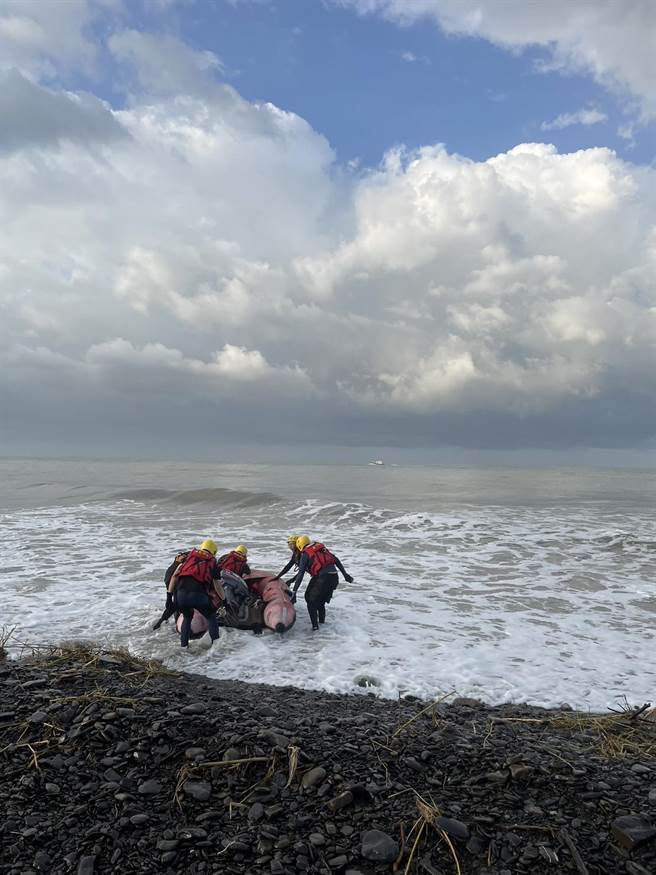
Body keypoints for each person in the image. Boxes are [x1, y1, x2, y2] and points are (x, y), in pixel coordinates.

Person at [168, 538, 223, 649]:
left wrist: (169, 596)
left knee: (187, 617)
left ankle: (184, 647)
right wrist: (224, 599)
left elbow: (174, 576)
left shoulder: (189, 557)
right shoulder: (212, 561)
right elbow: (217, 585)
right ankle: (216, 647)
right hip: (198, 596)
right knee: (211, 617)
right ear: (214, 552)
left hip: (180, 595)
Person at [290, 536, 353, 631]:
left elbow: (300, 575)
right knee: (320, 600)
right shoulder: (321, 549)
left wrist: (294, 592)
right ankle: (322, 623)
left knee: (309, 599)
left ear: (299, 545)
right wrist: (345, 575)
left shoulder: (305, 554)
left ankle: (315, 628)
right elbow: (336, 559)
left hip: (323, 578)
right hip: (334, 577)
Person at [153, 548, 189, 630]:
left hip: (170, 580)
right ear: (177, 557)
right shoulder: (179, 565)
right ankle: (162, 623)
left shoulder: (172, 567)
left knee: (174, 604)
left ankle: (165, 622)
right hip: (174, 582)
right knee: (175, 604)